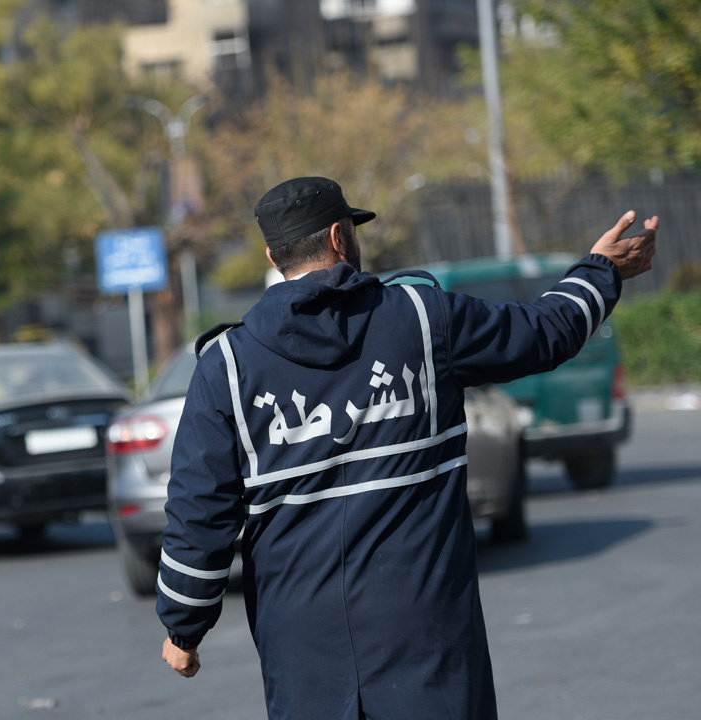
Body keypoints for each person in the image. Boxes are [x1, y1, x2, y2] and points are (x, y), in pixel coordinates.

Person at [156, 176, 657, 719]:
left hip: (304, 649)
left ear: (273, 255)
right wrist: (600, 271)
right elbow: (544, 331)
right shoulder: (424, 320)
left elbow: (200, 512)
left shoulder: (226, 367)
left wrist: (183, 627)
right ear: (339, 237)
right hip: (429, 639)